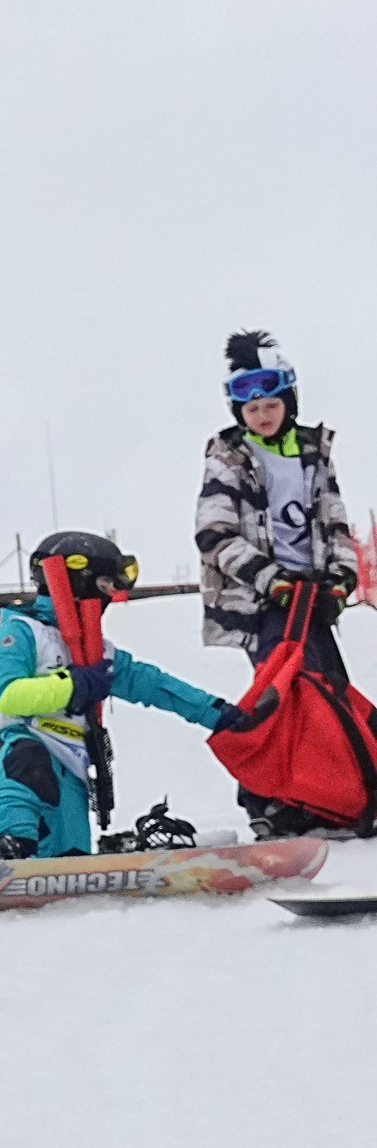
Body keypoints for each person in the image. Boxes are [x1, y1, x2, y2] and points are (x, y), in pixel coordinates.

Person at [0, 533, 264, 861]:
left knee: (67, 856)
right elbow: (8, 695)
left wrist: (217, 712)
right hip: (17, 743)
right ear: (78, 579)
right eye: (106, 582)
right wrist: (72, 685)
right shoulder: (21, 632)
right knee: (28, 773)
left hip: (72, 761)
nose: (111, 593)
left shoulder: (96, 652)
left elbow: (153, 684)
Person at [196, 330, 361, 834]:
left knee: (329, 690)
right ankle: (270, 803)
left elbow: (334, 520)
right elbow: (214, 535)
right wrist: (272, 581)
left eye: (271, 404)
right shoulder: (229, 458)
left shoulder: (312, 452)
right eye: (252, 409)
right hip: (262, 599)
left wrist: (342, 577)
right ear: (238, 413)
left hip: (311, 593)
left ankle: (336, 794)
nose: (263, 415)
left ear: (288, 402)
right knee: (283, 696)